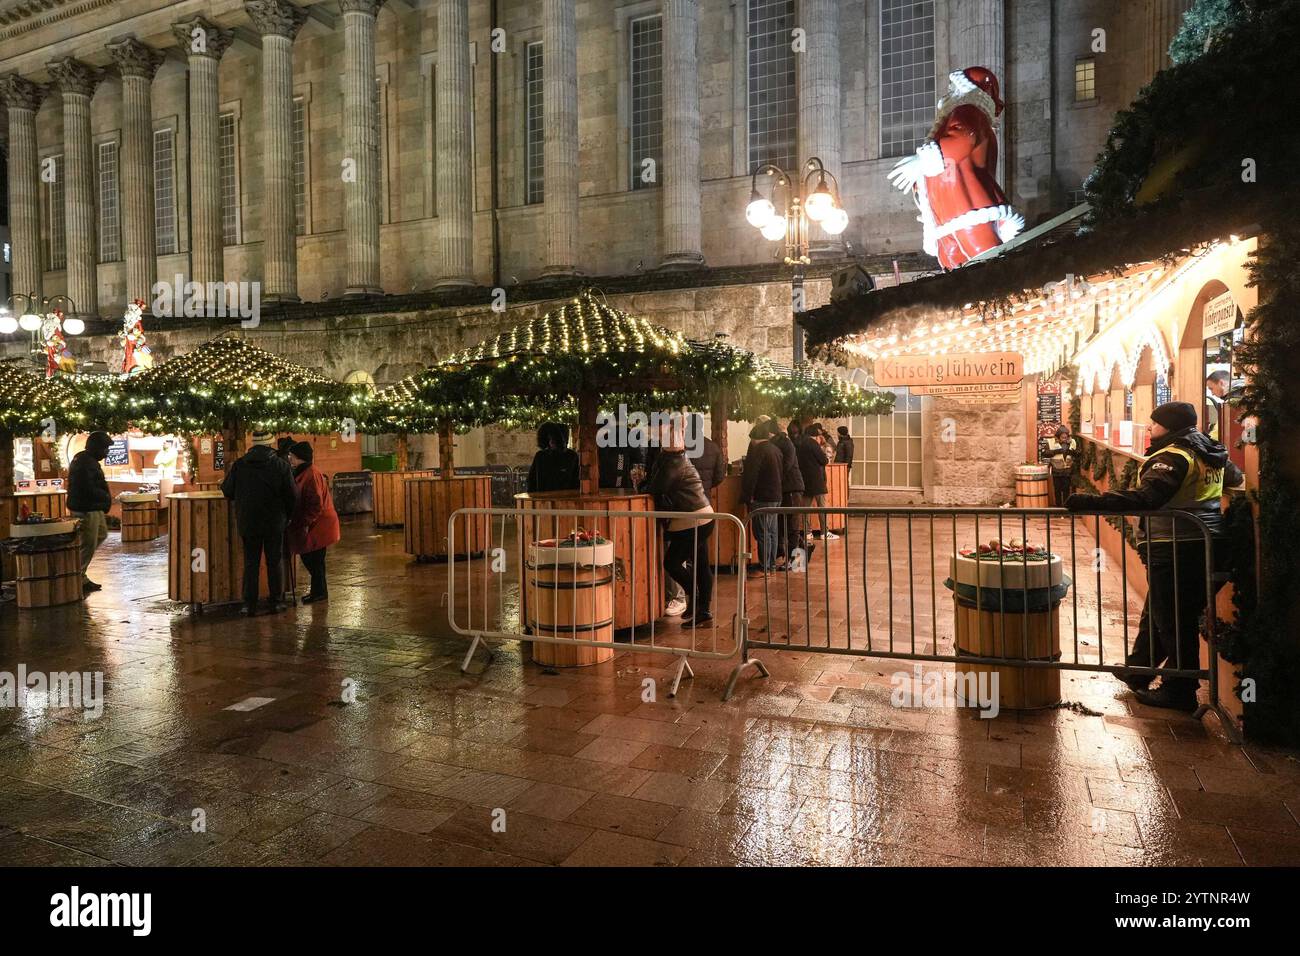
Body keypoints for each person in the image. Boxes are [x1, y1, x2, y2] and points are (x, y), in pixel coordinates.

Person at [1066, 401, 1243, 710]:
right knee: (1162, 611)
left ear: (1170, 426)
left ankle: (1180, 689)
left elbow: (1148, 497)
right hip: (1207, 542)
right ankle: (1139, 669)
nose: (1149, 428)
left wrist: (1089, 502)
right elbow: (1234, 478)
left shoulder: (1174, 456)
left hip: (1176, 544)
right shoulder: (1210, 452)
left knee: (1174, 619)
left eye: (1154, 423)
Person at [222, 430, 298, 616]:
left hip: (248, 521)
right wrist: (287, 515)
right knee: (274, 561)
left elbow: (227, 490)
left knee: (251, 563)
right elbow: (291, 494)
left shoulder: (240, 465)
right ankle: (276, 602)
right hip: (274, 521)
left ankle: (249, 604)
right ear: (270, 445)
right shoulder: (280, 465)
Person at [646, 423, 715, 627]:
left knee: (672, 563)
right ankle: (704, 612)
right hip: (701, 516)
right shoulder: (677, 458)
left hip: (691, 519)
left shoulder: (673, 462)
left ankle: (693, 597)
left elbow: (656, 487)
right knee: (702, 565)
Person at [287, 441, 341, 604]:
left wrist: (305, 522)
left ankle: (320, 593)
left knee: (313, 559)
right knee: (313, 559)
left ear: (299, 458)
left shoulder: (311, 474)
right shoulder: (305, 472)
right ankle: (319, 592)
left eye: (292, 456)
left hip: (319, 524)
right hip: (316, 523)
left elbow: (315, 504)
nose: (290, 459)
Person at [67, 430, 112, 593]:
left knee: (100, 534)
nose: (107, 452)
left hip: (94, 507)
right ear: (96, 447)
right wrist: (105, 497)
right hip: (87, 508)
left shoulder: (87, 460)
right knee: (87, 543)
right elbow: (88, 488)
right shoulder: (85, 462)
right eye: (105, 448)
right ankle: (77, 576)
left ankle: (80, 575)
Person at [741, 423, 783, 575]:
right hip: (776, 495)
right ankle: (771, 565)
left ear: (755, 438)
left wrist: (747, 497)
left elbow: (751, 475)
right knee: (772, 532)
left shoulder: (758, 451)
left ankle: (764, 567)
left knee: (762, 533)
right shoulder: (775, 449)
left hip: (763, 496)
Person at [767, 419, 805, 564]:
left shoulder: (783, 443)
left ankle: (794, 560)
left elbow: (786, 466)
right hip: (788, 488)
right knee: (786, 524)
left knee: (792, 525)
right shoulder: (780, 443)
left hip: (792, 488)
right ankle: (791, 556)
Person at [797, 422, 836, 541]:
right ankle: (825, 532)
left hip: (805, 480)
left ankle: (808, 532)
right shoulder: (813, 444)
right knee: (822, 507)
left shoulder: (799, 444)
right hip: (817, 480)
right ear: (815, 435)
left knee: (806, 509)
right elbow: (823, 460)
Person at [526, 422, 580, 493]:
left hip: (563, 498)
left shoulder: (572, 456)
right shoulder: (540, 456)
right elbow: (532, 480)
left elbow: (576, 480)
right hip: (546, 499)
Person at [687, 413, 727, 496]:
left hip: (684, 496)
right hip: (704, 495)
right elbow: (719, 476)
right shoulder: (713, 447)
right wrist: (707, 485)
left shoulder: (681, 446)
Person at [1043, 425, 1078, 506]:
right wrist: (1056, 451)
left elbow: (1078, 455)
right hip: (1056, 470)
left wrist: (1072, 452)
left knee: (1066, 491)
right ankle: (1058, 509)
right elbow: (1045, 454)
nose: (1064, 439)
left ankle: (1066, 509)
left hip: (1067, 471)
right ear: (1058, 436)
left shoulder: (1072, 442)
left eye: (1066, 437)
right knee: (1057, 490)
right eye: (1062, 437)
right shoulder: (1051, 442)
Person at [1204, 370, 1229, 441]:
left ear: (1221, 383)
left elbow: (1217, 432)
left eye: (1211, 389)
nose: (1212, 393)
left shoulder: (1232, 402)